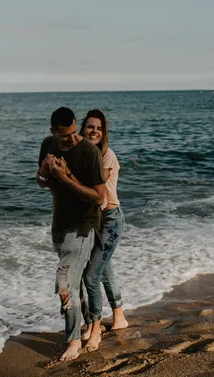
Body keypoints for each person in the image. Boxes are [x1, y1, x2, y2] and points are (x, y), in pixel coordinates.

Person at [36, 107, 106, 362]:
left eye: (74, 133)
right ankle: (89, 324)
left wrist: (65, 178)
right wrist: (44, 172)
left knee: (63, 285)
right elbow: (42, 182)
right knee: (75, 285)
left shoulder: (88, 151)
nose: (71, 139)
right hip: (59, 227)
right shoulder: (47, 144)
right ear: (53, 132)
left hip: (84, 226)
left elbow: (99, 197)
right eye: (64, 137)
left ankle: (73, 340)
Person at [79, 109, 129, 351]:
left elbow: (96, 191)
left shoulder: (107, 156)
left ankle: (95, 329)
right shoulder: (83, 155)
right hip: (94, 221)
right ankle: (119, 318)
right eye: (90, 127)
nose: (94, 131)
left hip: (110, 219)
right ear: (83, 129)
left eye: (98, 128)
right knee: (105, 269)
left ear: (103, 132)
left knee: (91, 275)